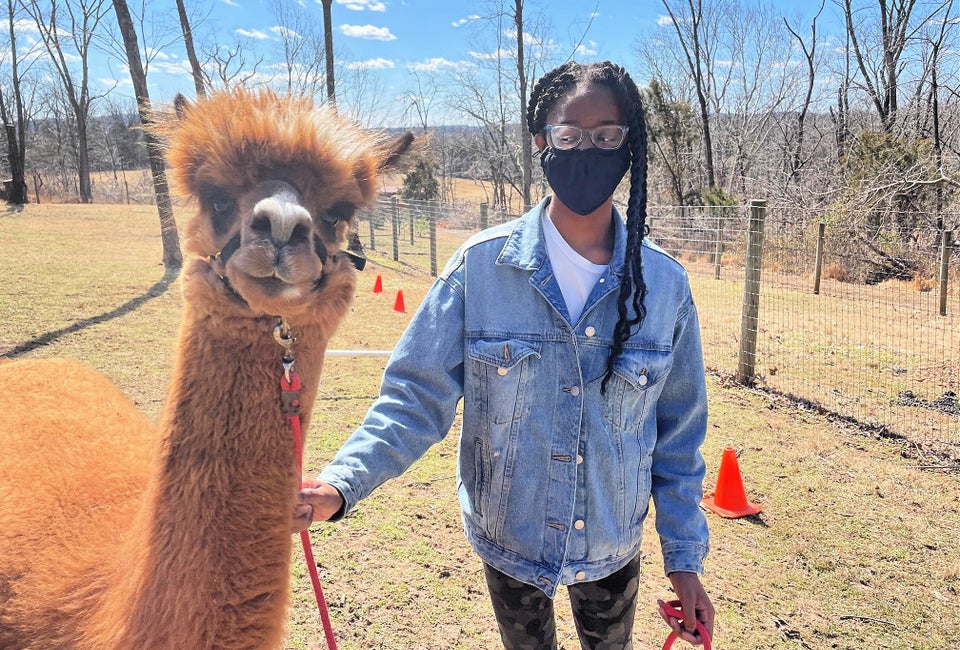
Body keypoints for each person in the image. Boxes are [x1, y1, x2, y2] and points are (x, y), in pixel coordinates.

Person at [295, 60, 714, 649]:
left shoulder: (664, 286)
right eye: (569, 135)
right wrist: (341, 484)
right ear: (542, 143)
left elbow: (677, 438)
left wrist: (685, 560)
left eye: (606, 135)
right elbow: (415, 398)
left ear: (629, 145)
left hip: (612, 544)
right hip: (510, 543)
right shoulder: (479, 270)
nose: (586, 149)